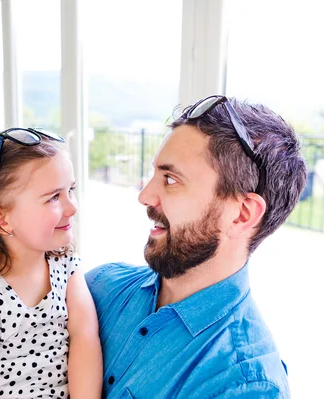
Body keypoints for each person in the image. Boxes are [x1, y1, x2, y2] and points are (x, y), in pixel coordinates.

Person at [86, 96, 307, 398]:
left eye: (171, 179)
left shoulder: (245, 385)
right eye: (154, 175)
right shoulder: (100, 288)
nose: (146, 196)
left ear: (242, 215)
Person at [0, 127, 102, 399]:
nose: (72, 207)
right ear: (1, 219)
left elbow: (85, 338)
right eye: (53, 197)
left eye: (70, 190)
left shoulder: (66, 265)